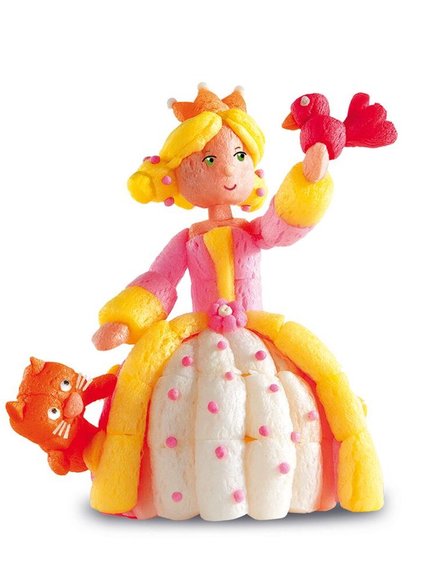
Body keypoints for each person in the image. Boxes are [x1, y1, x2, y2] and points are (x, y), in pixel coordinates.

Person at [88, 85, 382, 520]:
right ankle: (159, 485)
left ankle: (306, 482)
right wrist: (127, 320)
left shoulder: (253, 232)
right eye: (209, 160)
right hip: (198, 336)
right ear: (179, 174)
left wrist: (308, 180)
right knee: (165, 401)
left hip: (255, 331)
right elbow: (160, 280)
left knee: (298, 393)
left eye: (239, 156)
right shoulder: (187, 240)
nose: (228, 168)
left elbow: (283, 224)